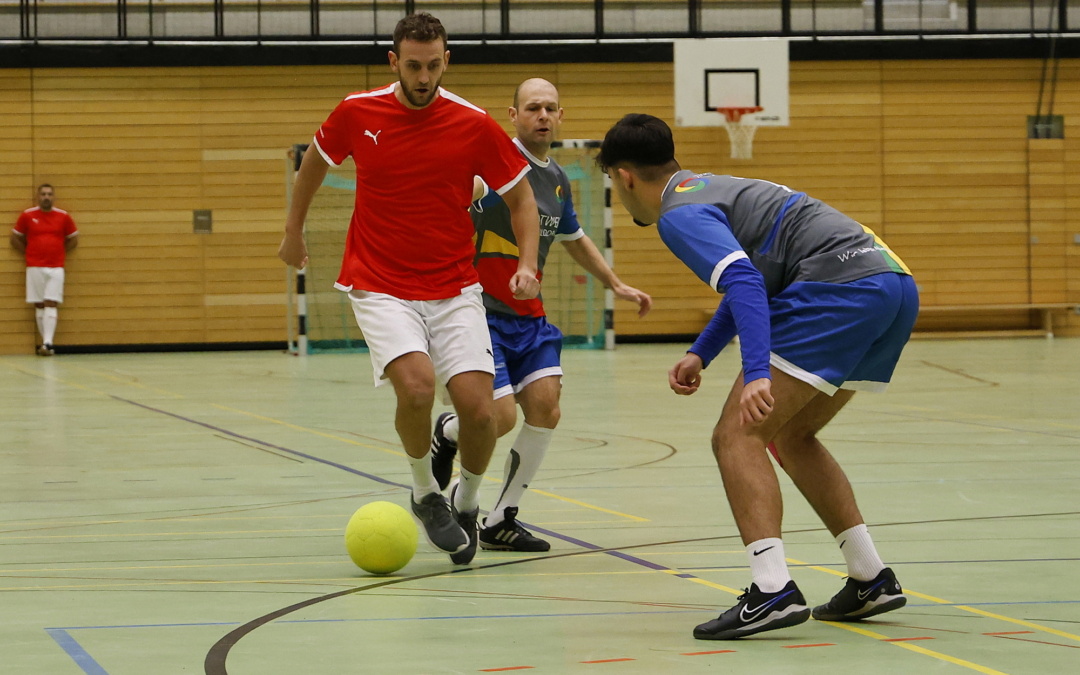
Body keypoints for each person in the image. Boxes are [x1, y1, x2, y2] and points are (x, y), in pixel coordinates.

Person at [596, 113, 919, 640]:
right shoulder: (712, 188)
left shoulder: (679, 213)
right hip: (891, 283)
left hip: (840, 288)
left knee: (737, 437)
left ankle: (772, 591)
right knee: (791, 436)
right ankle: (870, 576)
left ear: (624, 176)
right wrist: (702, 352)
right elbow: (760, 278)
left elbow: (743, 281)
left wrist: (755, 373)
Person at [277, 13, 542, 566]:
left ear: (448, 61)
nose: (424, 77)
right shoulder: (358, 111)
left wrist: (528, 264)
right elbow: (312, 164)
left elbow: (522, 200)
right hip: (379, 283)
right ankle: (424, 491)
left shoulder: (472, 123)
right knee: (418, 389)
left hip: (453, 286)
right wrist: (292, 231)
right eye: (414, 66)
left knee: (481, 413)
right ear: (394, 62)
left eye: (435, 65)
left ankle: (465, 502)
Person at [428, 79, 652, 553]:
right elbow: (457, 191)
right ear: (513, 115)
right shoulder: (491, 166)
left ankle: (501, 518)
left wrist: (615, 282)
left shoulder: (556, 180)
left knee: (546, 408)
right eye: (533, 108)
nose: (543, 116)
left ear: (561, 115)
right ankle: (450, 434)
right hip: (478, 313)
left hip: (529, 318)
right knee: (499, 417)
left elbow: (574, 238)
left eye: (551, 108)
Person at [10, 184, 78, 356]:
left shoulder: (63, 216)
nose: (46, 197)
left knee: (51, 302)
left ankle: (48, 343)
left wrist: (59, 252)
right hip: (34, 266)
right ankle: (44, 343)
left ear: (53, 197)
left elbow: (73, 238)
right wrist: (29, 252)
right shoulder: (27, 215)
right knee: (39, 304)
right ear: (38, 197)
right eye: (43, 194)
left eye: (49, 194)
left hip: (55, 267)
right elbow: (15, 237)